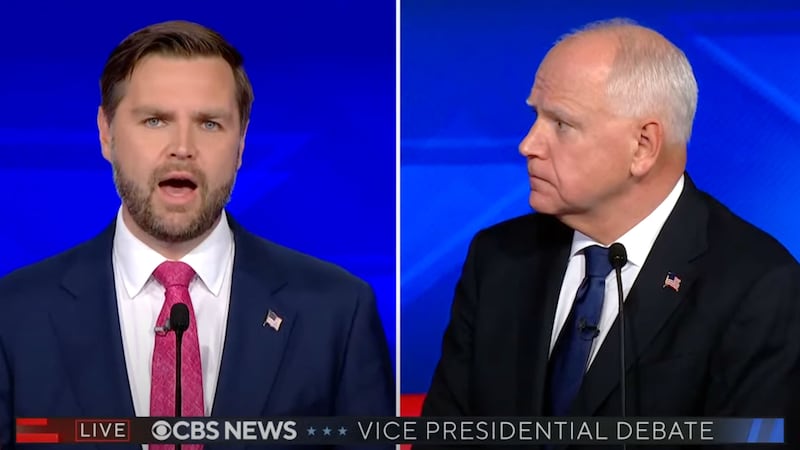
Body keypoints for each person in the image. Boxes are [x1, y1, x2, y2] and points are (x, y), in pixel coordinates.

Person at [0, 20, 394, 449]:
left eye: (209, 124)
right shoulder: (15, 316)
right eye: (155, 121)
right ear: (107, 132)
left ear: (241, 142)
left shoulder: (337, 312)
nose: (182, 147)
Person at [419, 18, 800, 448]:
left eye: (561, 124)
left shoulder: (759, 286)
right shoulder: (498, 258)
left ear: (642, 146)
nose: (528, 144)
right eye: (535, 117)